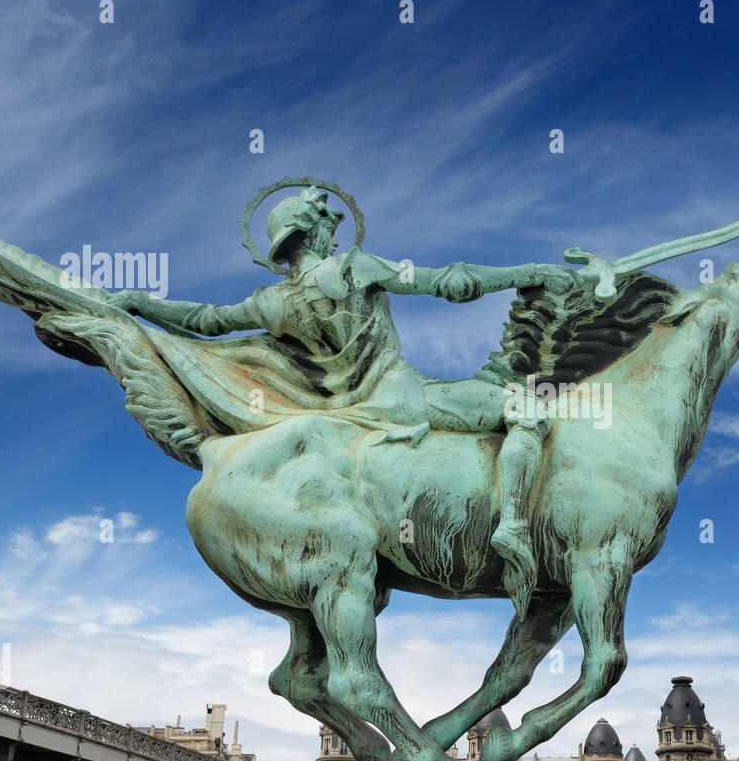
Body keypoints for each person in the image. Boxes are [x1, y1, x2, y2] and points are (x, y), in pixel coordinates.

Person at [110, 188, 577, 610]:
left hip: (349, 413)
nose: (333, 235)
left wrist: (142, 303)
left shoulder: (272, 302)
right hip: (404, 396)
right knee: (527, 409)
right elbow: (452, 283)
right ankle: (514, 527)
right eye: (327, 226)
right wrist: (531, 274)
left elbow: (205, 318)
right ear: (309, 231)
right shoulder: (353, 268)